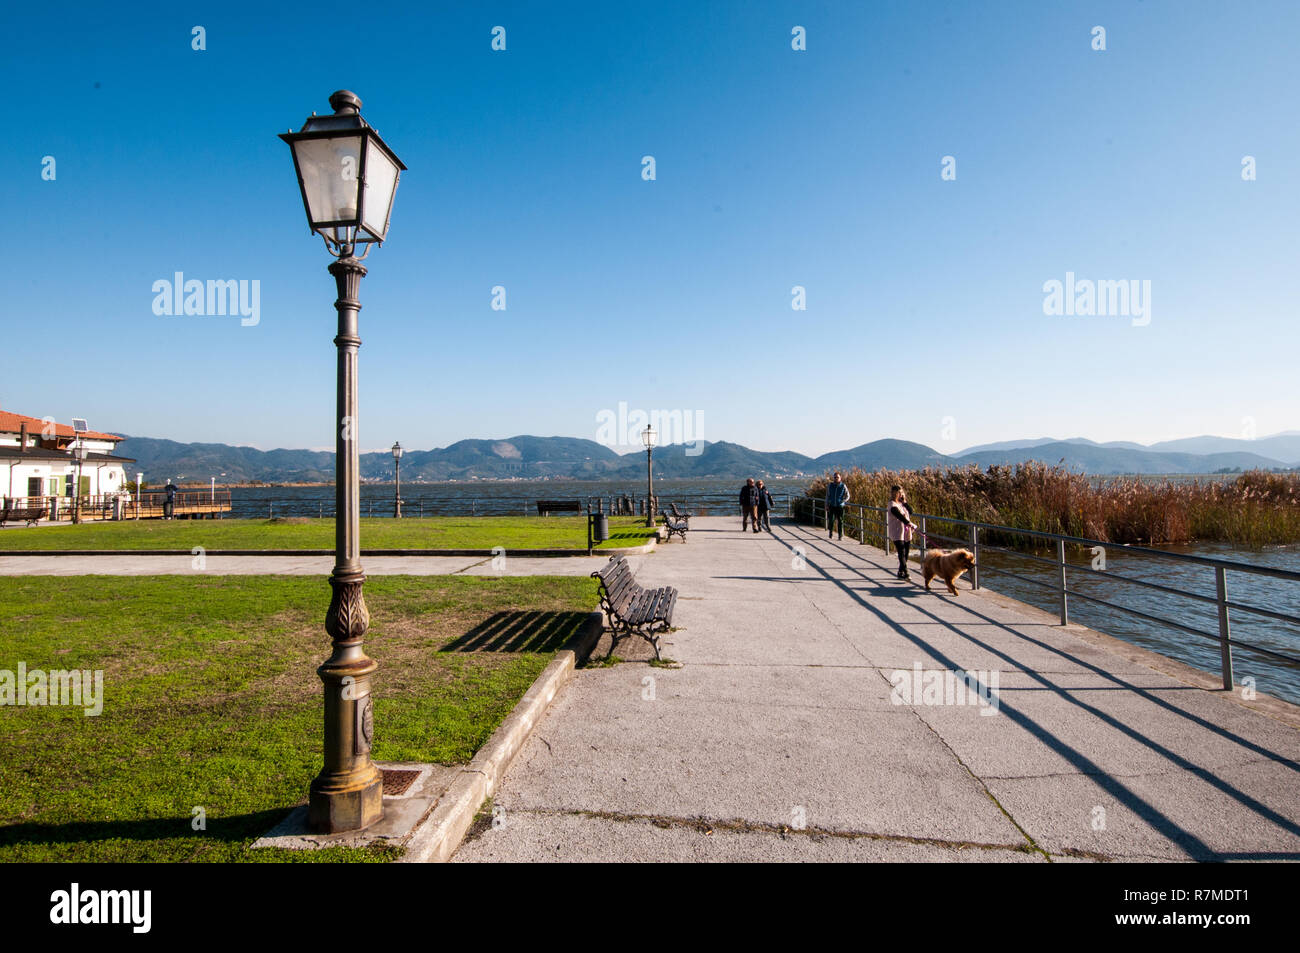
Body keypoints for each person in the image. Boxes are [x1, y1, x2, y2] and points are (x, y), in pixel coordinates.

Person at [887, 484, 920, 579]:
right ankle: (906, 572)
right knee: (901, 551)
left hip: (905, 531)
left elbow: (911, 511)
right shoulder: (892, 504)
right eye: (899, 493)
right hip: (897, 531)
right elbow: (897, 514)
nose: (900, 494)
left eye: (901, 492)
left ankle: (900, 571)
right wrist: (907, 522)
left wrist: (905, 502)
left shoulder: (902, 504)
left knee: (906, 553)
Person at [824, 472, 850, 539]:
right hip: (832, 505)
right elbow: (827, 496)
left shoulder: (843, 486)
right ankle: (831, 533)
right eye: (835, 477)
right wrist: (826, 504)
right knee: (831, 521)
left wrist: (843, 501)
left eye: (837, 477)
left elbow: (848, 495)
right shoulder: (830, 485)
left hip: (840, 506)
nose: (836, 478)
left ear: (840, 478)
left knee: (840, 521)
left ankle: (840, 535)